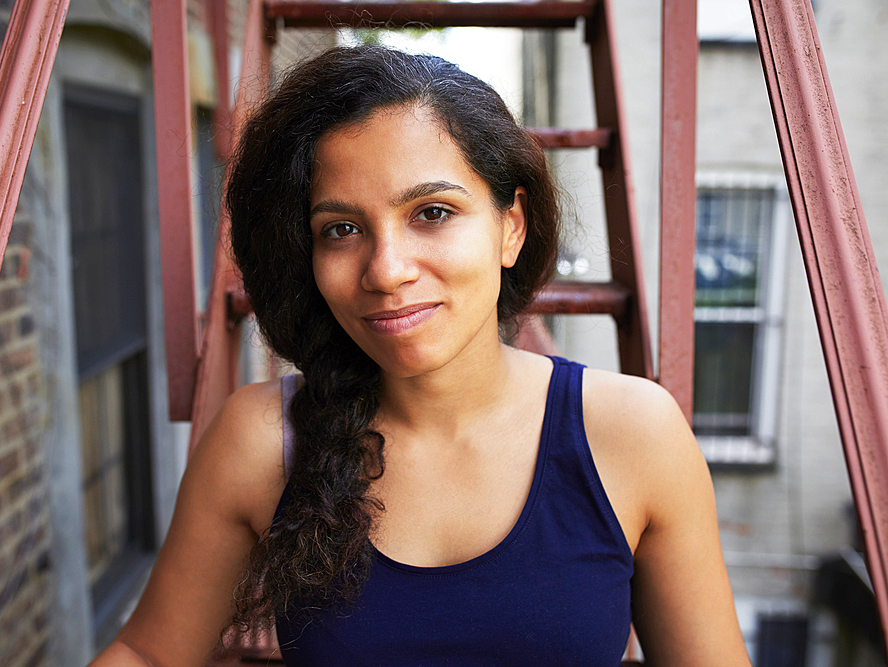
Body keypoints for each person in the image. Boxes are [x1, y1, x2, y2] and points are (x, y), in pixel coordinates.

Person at [92, 46, 751, 666]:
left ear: (511, 227)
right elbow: (149, 654)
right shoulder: (264, 439)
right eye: (341, 229)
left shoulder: (635, 435)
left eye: (432, 212)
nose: (386, 269)